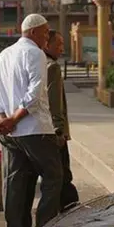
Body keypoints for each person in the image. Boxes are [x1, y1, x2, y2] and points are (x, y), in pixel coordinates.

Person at [0, 14, 63, 227]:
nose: (48, 37)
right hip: (35, 129)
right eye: (46, 32)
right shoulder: (35, 53)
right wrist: (13, 118)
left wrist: (3, 118)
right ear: (33, 32)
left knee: (16, 183)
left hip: (11, 134)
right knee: (53, 177)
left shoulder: (3, 54)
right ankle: (45, 225)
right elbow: (35, 92)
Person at [44, 29, 80, 212]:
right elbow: (54, 101)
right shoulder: (52, 67)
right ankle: (69, 213)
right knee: (63, 175)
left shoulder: (36, 63)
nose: (61, 49)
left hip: (38, 131)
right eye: (58, 44)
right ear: (46, 45)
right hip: (53, 131)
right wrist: (59, 131)